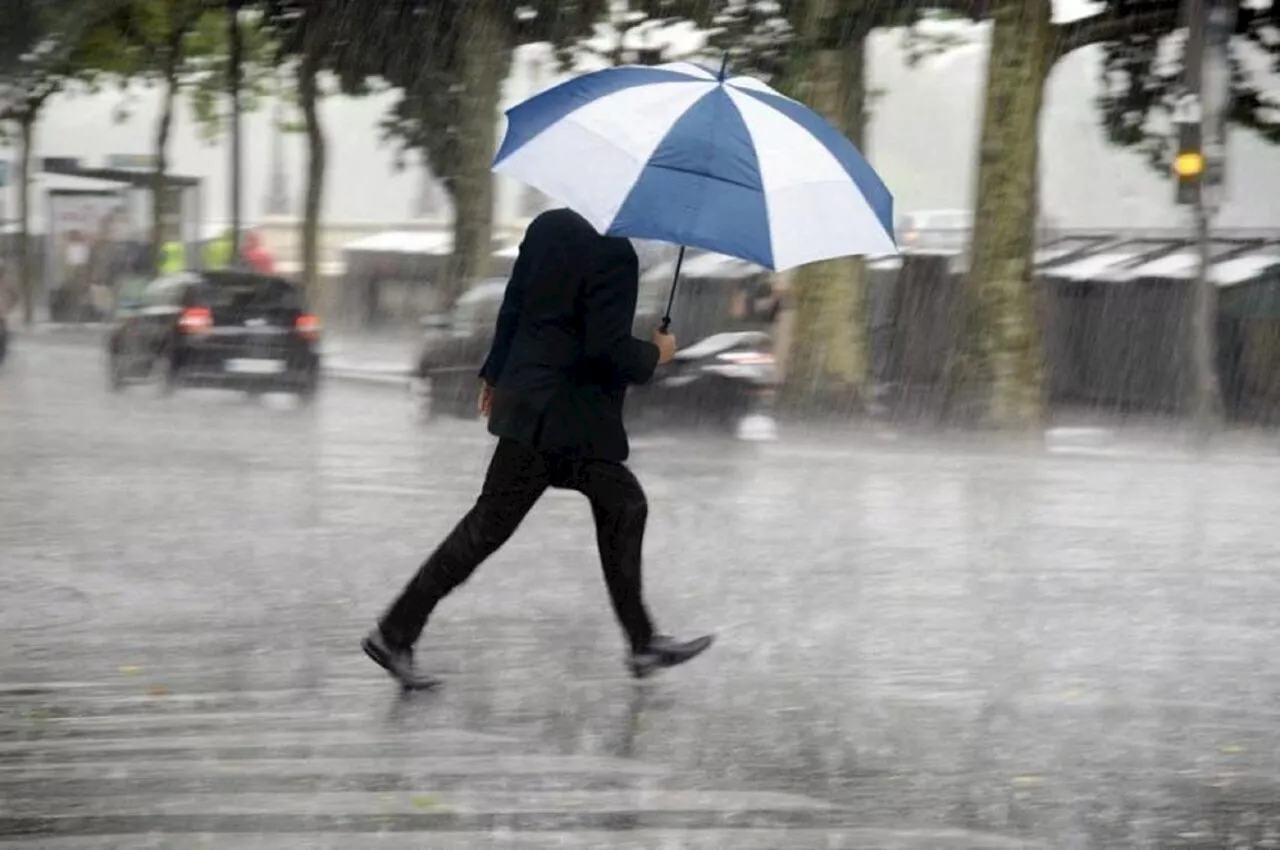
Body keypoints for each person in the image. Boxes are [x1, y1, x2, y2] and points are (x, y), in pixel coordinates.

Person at [363, 208, 714, 688]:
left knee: (579, 512)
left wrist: (494, 373)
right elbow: (604, 350)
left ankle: (397, 630)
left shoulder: (548, 226)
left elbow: (514, 305)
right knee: (608, 508)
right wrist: (657, 353)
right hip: (569, 421)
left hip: (529, 404)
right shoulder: (615, 254)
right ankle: (641, 643)